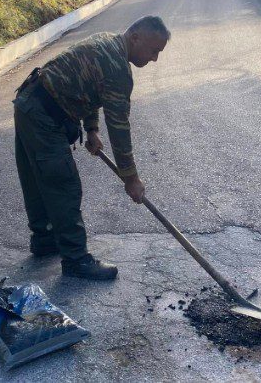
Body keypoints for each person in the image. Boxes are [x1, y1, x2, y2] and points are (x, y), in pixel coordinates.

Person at [12, 15, 170, 280]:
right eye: (154, 51)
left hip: (29, 102)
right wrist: (130, 178)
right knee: (63, 184)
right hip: (45, 115)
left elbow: (90, 86)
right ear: (135, 38)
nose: (155, 58)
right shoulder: (118, 69)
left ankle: (45, 238)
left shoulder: (107, 42)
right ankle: (76, 260)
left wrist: (92, 129)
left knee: (37, 178)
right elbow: (119, 127)